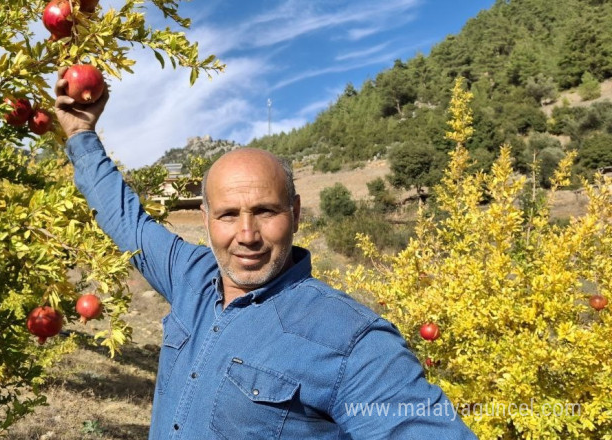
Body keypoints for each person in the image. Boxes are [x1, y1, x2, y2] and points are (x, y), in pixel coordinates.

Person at [53, 69, 477, 439]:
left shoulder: (353, 344)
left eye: (265, 212)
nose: (246, 234)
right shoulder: (191, 276)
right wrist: (80, 135)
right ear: (205, 219)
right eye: (227, 215)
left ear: (294, 213)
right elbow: (127, 221)